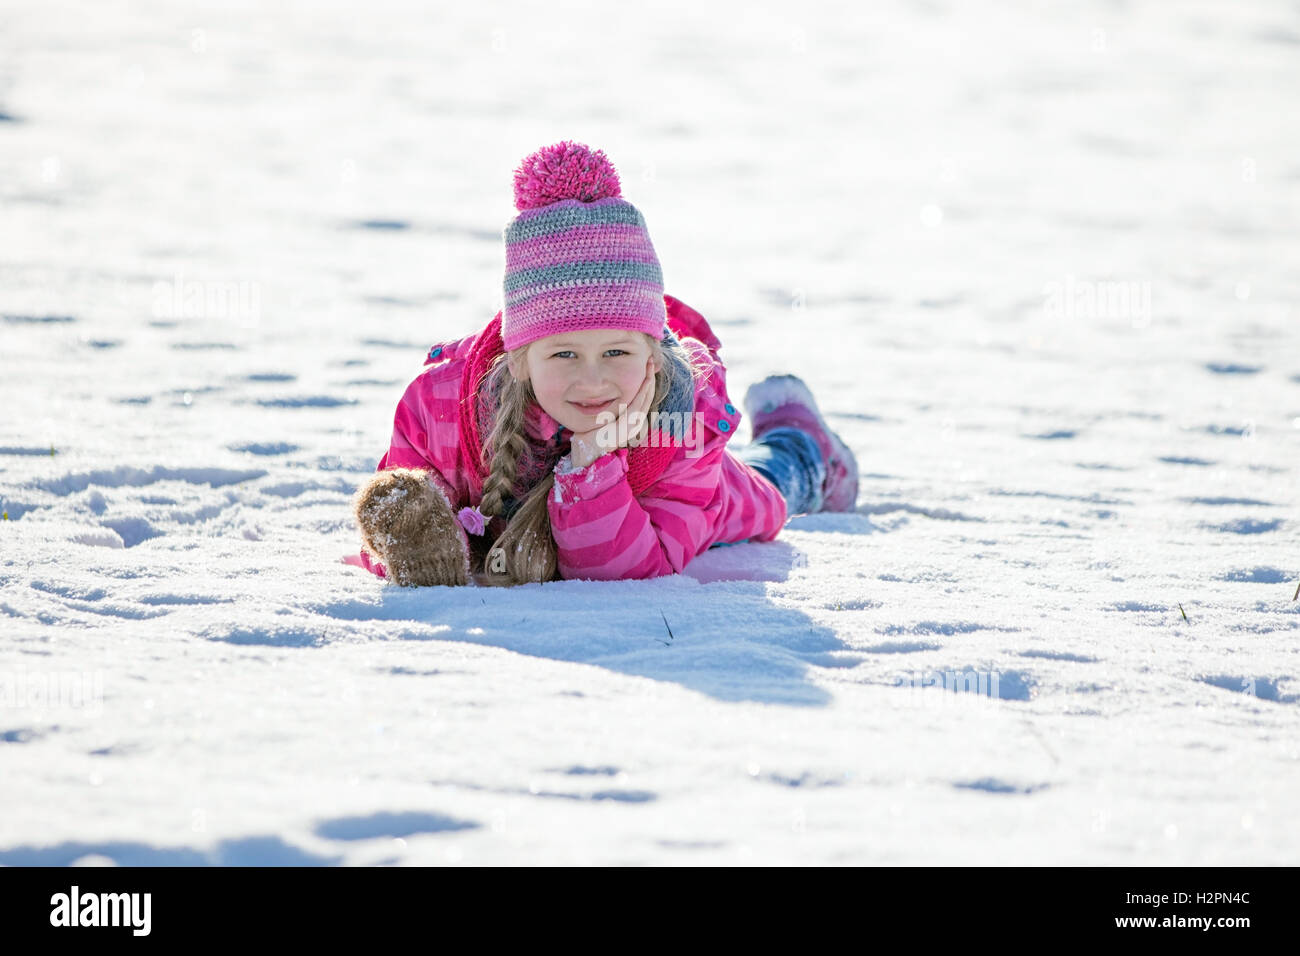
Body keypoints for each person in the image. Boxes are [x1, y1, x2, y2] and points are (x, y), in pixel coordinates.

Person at [341, 140, 858, 587]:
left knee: (776, 480)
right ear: (519, 359)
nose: (592, 379)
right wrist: (420, 536)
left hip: (719, 503)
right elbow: (406, 519)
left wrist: (590, 461)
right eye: (563, 353)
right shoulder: (442, 405)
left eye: (616, 352)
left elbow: (632, 574)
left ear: (652, 354)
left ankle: (801, 438)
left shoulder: (681, 426)